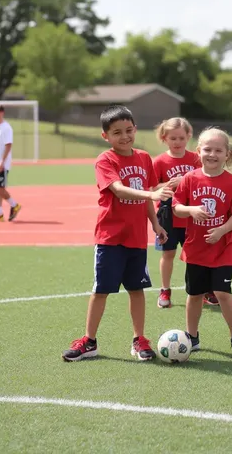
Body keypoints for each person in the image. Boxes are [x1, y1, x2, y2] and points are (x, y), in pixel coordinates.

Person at [62, 104, 174, 362]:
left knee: (137, 289)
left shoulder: (144, 158)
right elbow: (119, 189)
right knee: (101, 290)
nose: (124, 136)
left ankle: (139, 339)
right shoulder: (105, 160)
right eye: (116, 132)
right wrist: (152, 193)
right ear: (106, 136)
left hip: (136, 238)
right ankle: (89, 341)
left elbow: (146, 198)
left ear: (135, 129)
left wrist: (156, 224)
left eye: (128, 130)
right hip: (110, 238)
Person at [172, 126, 232, 361]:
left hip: (224, 246)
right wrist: (191, 209)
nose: (212, 154)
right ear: (199, 151)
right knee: (194, 294)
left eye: (218, 150)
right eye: (208, 149)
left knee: (222, 291)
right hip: (196, 247)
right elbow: (176, 206)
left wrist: (222, 230)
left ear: (227, 154)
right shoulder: (190, 178)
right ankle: (192, 337)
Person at [153, 117, 219, 309]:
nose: (177, 142)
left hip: (192, 215)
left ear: (189, 136)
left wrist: (189, 181)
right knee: (169, 253)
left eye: (181, 138)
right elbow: (152, 188)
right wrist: (168, 184)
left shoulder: (195, 159)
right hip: (168, 215)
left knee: (197, 254)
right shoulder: (159, 161)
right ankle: (165, 289)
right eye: (173, 138)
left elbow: (207, 179)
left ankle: (204, 289)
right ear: (164, 138)